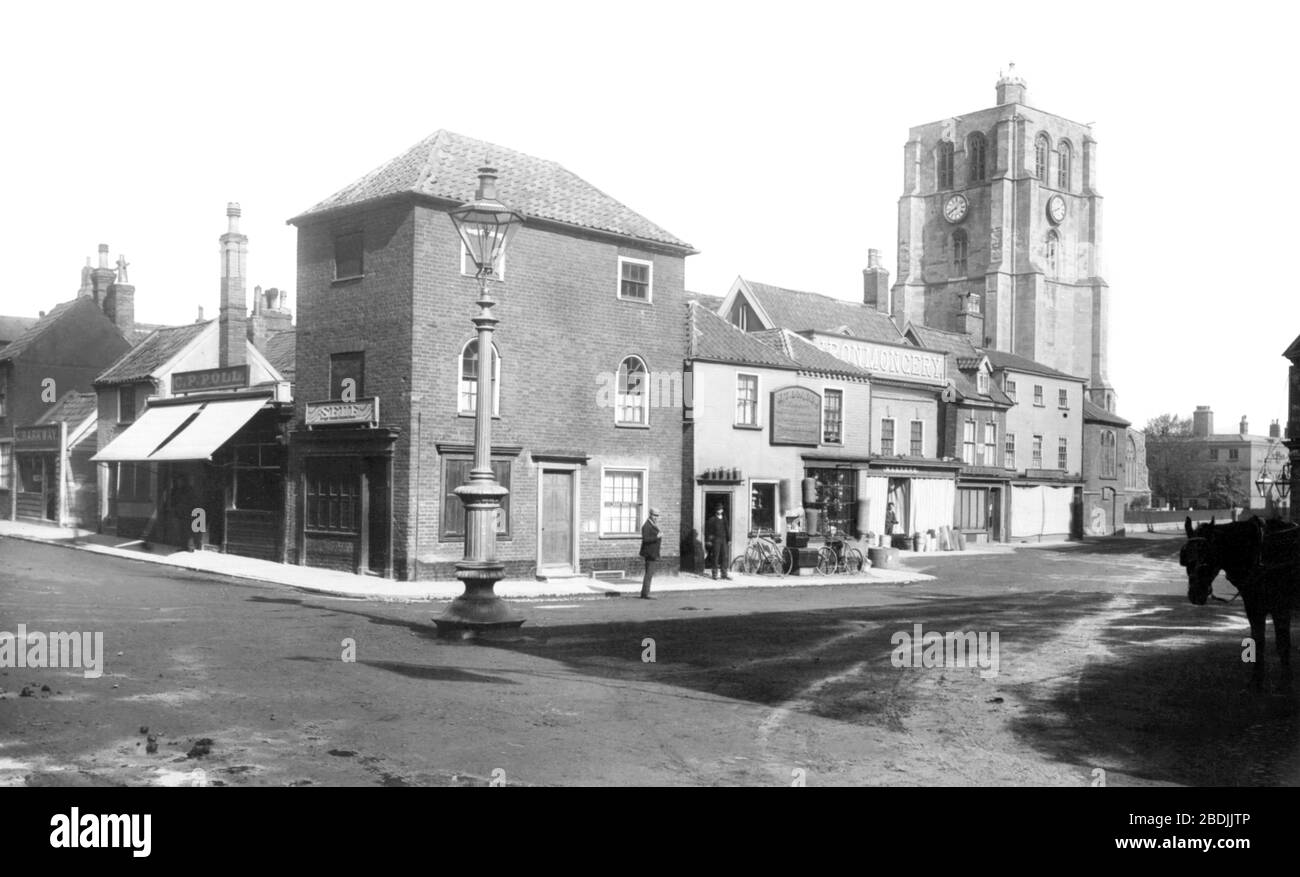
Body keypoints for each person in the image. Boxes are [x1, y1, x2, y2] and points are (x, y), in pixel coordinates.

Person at [639, 507, 661, 599]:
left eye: (657, 515)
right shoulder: (647, 526)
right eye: (654, 515)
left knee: (649, 573)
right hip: (649, 553)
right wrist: (657, 537)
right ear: (650, 514)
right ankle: (645, 593)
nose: (656, 517)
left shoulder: (653, 524)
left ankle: (645, 592)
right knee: (649, 573)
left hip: (653, 552)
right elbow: (646, 539)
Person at [705, 506, 731, 580]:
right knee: (715, 556)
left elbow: (727, 529)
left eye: (721, 509)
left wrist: (729, 540)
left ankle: (724, 574)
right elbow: (709, 531)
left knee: (725, 556)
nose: (720, 511)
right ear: (716, 510)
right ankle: (714, 574)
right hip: (716, 540)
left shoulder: (724, 519)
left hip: (724, 540)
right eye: (718, 509)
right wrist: (709, 540)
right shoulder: (712, 519)